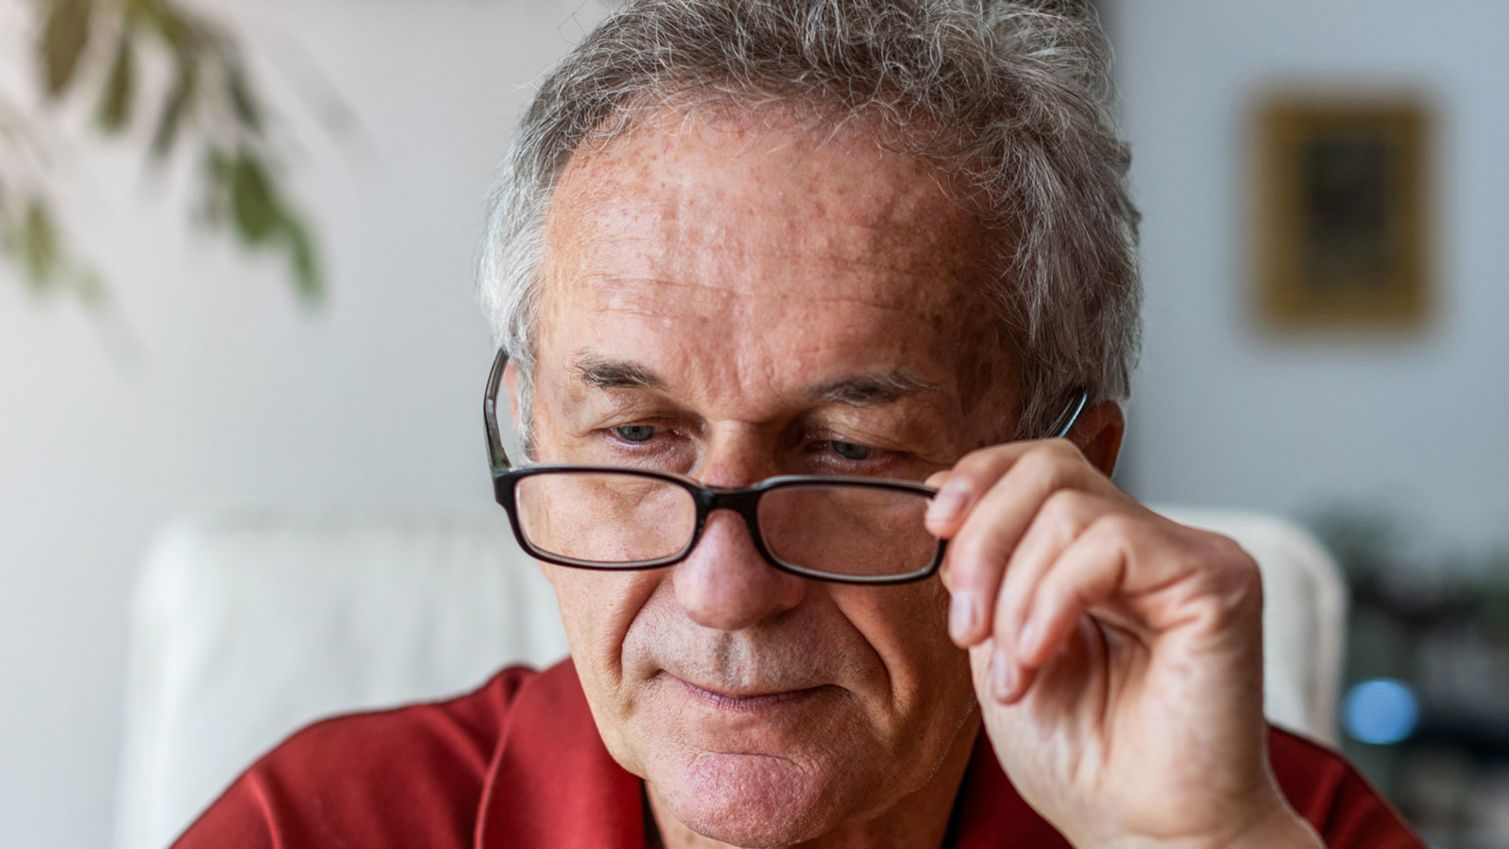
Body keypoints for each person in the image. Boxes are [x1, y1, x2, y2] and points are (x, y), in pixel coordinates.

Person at [176, 2, 1426, 847]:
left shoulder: (1261, 820)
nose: (723, 590)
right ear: (527, 428)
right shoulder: (327, 823)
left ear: (1072, 474)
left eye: (848, 450)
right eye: (633, 435)